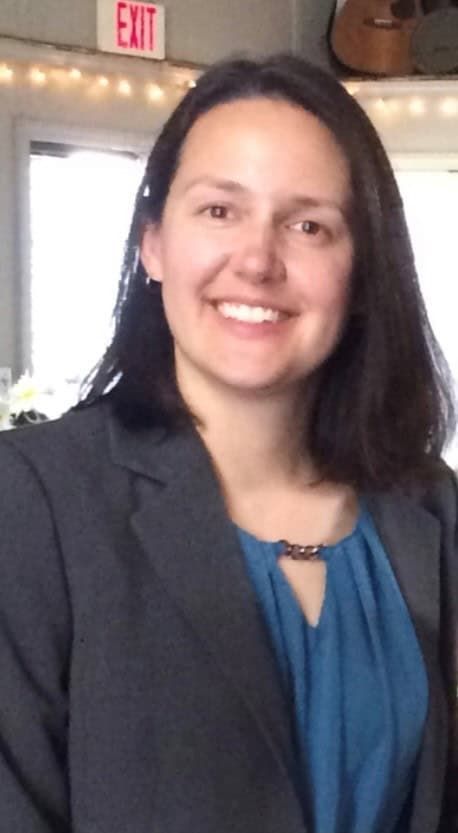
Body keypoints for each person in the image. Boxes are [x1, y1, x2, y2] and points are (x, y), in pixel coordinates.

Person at [0, 54, 456, 833]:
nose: (257, 258)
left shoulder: (431, 509)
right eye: (219, 210)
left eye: (309, 224)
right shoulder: (34, 502)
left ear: (362, 273)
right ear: (152, 244)